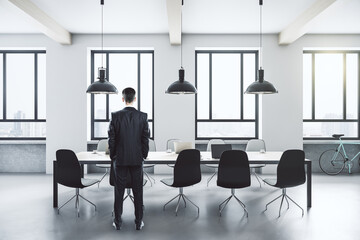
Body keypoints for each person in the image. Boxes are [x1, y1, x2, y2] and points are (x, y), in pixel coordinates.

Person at [108, 87, 150, 230]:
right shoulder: (143, 116)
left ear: (123, 99)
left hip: (120, 159)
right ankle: (138, 222)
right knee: (138, 191)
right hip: (137, 159)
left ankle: (118, 222)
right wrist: (143, 155)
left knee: (119, 192)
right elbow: (145, 139)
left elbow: (111, 140)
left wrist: (113, 155)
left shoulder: (115, 116)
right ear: (135, 98)